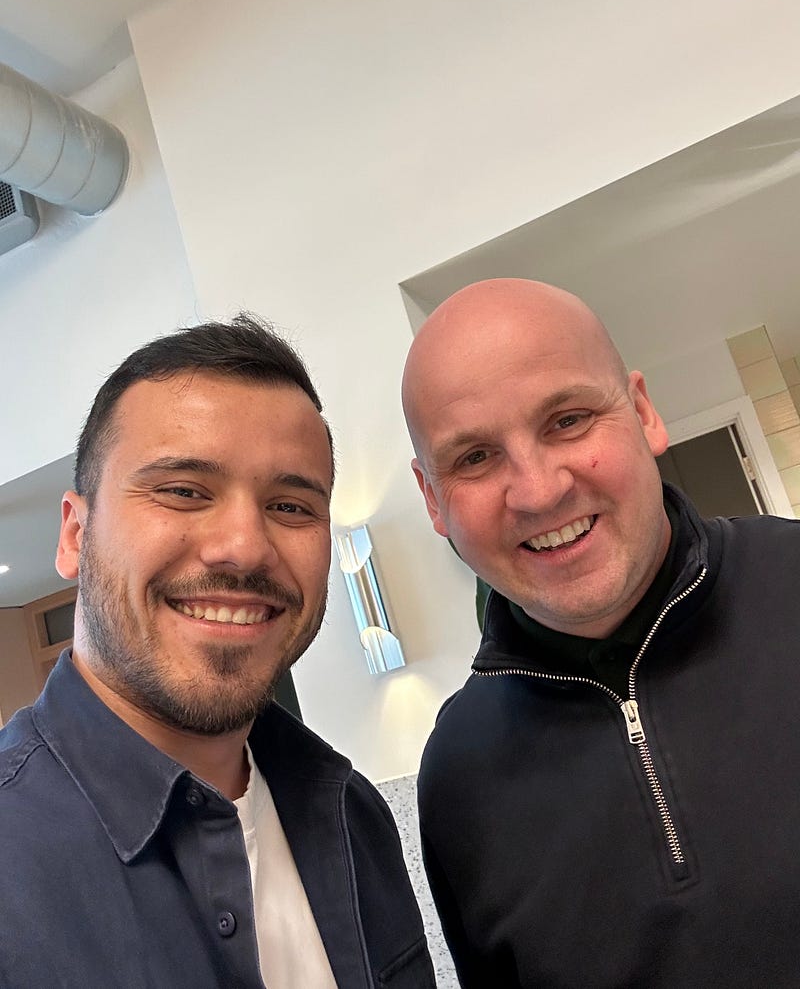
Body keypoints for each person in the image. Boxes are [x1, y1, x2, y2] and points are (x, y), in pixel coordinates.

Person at [0, 314, 435, 989]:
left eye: (290, 506)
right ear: (75, 536)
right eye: (183, 491)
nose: (246, 547)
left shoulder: (352, 813)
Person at [402, 278, 800, 988]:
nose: (539, 490)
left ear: (643, 413)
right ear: (434, 499)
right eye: (475, 457)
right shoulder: (459, 776)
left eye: (568, 420)